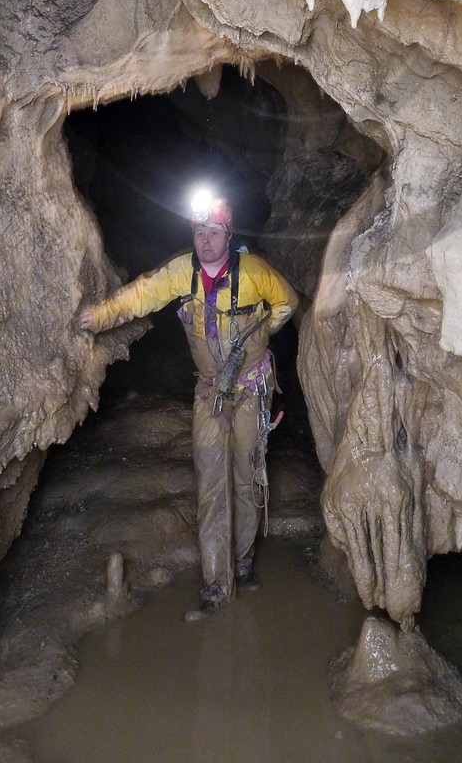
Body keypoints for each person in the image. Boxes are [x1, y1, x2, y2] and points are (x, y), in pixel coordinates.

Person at [77, 191, 298, 620]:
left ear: (228, 235)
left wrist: (261, 336)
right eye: (199, 233)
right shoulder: (185, 273)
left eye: (213, 233)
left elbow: (287, 301)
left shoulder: (253, 272)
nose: (206, 241)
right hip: (210, 392)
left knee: (247, 479)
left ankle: (244, 562)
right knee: (211, 486)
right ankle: (217, 585)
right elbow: (141, 295)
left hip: (252, 388)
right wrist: (100, 317)